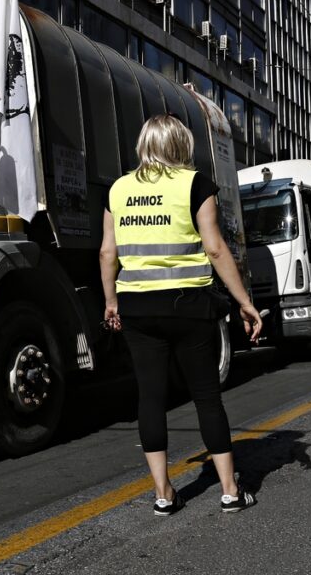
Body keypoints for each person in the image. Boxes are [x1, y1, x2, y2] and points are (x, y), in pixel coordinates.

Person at [99, 114, 262, 516]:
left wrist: (111, 301)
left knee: (151, 397)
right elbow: (216, 248)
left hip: (137, 306)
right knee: (206, 395)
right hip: (189, 306)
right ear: (181, 145)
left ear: (144, 145)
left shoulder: (118, 189)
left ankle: (163, 493)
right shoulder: (196, 184)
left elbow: (107, 252)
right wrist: (244, 300)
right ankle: (229, 489)